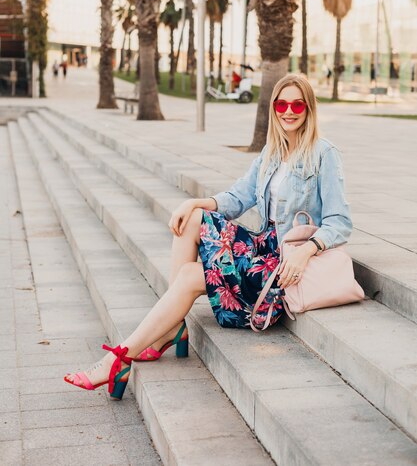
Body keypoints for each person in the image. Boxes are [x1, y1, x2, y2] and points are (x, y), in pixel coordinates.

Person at [64, 73, 352, 399]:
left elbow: (340, 222)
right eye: (281, 103)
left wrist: (306, 250)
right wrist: (194, 202)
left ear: (309, 108)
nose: (289, 111)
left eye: (297, 104)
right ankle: (166, 330)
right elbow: (237, 198)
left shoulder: (324, 154)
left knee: (188, 276)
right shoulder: (273, 153)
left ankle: (118, 358)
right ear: (273, 107)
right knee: (193, 219)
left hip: (281, 267)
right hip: (261, 247)